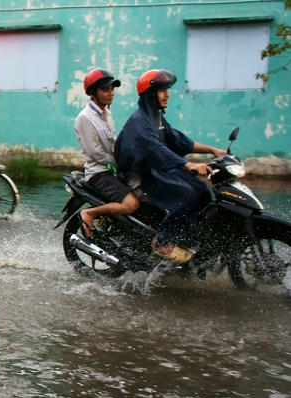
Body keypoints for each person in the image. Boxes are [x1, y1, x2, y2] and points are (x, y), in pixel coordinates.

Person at [114, 69, 227, 264]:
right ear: (150, 95)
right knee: (186, 194)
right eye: (161, 90)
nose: (167, 94)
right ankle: (163, 241)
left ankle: (189, 238)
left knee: (201, 189)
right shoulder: (140, 122)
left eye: (167, 89)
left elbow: (178, 140)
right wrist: (188, 164)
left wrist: (213, 150)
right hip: (142, 179)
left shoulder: (155, 117)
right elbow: (157, 150)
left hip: (156, 172)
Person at [75, 68, 140, 237]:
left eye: (112, 89)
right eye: (105, 90)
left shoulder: (106, 113)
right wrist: (121, 162)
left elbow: (113, 142)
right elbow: (95, 153)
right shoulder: (85, 117)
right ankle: (90, 213)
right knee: (131, 204)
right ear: (93, 93)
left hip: (112, 169)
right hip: (99, 173)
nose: (110, 93)